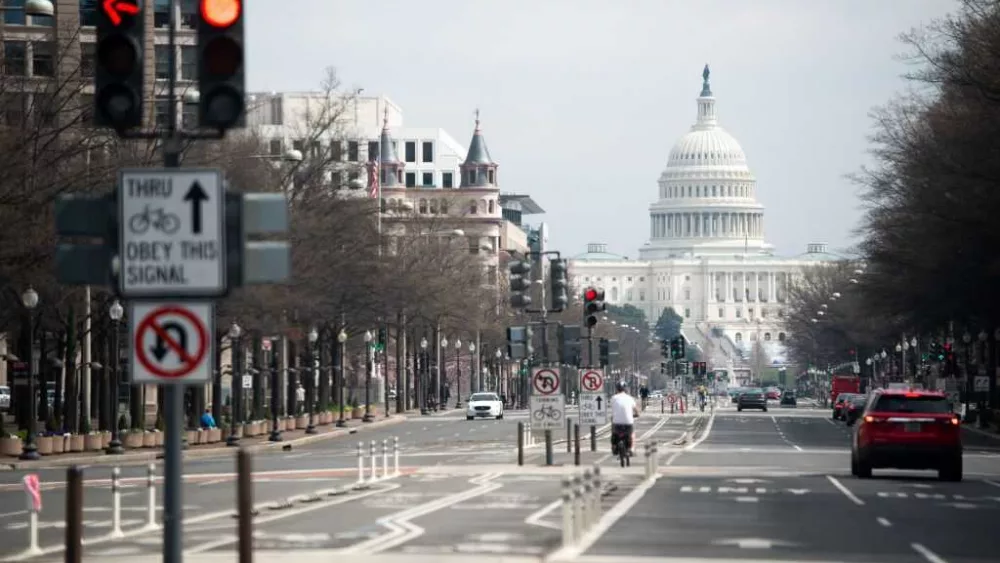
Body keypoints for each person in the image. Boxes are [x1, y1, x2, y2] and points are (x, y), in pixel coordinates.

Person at [610, 380, 639, 456]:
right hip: (628, 422)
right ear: (625, 389)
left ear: (617, 389)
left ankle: (613, 446)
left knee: (613, 432)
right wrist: (636, 414)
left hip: (617, 423)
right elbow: (636, 410)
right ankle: (632, 448)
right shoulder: (630, 398)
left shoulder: (613, 398)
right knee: (632, 433)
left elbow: (613, 408)